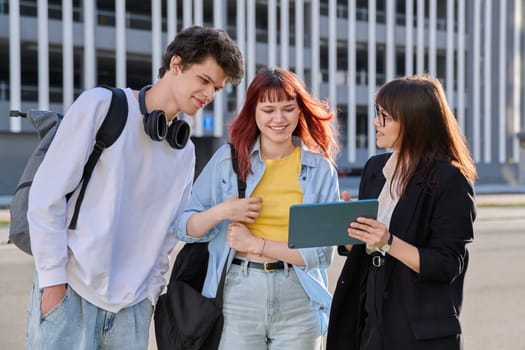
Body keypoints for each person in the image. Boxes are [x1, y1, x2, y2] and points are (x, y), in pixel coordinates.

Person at [26, 25, 244, 350]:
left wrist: (150, 296)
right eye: (204, 80)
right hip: (70, 294)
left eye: (217, 88)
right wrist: (53, 282)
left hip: (132, 311)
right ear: (175, 64)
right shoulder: (102, 106)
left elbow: (168, 232)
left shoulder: (183, 151)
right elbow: (47, 196)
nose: (210, 94)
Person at [173, 66, 340, 349]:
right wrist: (223, 212)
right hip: (238, 292)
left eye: (288, 109)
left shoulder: (320, 170)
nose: (279, 119)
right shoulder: (228, 161)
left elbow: (322, 254)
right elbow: (183, 227)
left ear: (299, 111)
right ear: (253, 112)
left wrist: (256, 244)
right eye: (268, 110)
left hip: (299, 296)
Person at [326, 75, 477, 350]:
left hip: (418, 331)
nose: (375, 123)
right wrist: (349, 229)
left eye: (384, 117)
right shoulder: (375, 169)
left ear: (412, 120)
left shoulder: (450, 179)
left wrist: (388, 241)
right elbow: (365, 247)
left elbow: (447, 264)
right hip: (368, 321)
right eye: (377, 114)